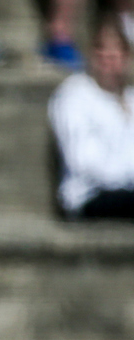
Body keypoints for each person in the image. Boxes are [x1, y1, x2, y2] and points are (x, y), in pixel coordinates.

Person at [49, 14, 134, 219]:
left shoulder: (131, 98)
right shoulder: (73, 94)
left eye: (116, 51)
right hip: (89, 196)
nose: (107, 58)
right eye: (100, 49)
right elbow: (83, 161)